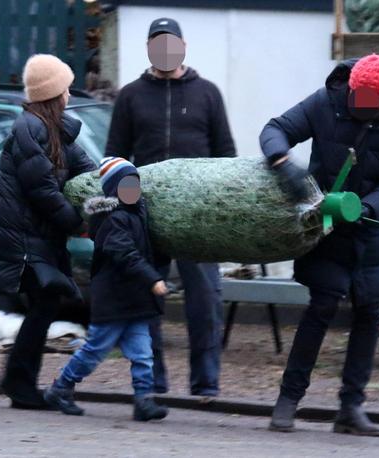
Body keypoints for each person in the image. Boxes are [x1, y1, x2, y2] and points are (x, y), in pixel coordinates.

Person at [260, 54, 379, 436]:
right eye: (356, 95)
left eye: (369, 99)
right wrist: (283, 162)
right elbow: (275, 129)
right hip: (326, 225)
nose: (360, 103)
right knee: (322, 307)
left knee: (369, 313)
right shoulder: (325, 102)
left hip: (371, 228)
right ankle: (288, 401)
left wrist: (368, 206)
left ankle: (351, 408)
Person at [105, 17, 236, 397]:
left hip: (199, 216)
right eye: (157, 43)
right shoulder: (130, 96)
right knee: (145, 298)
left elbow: (226, 155)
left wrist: (219, 202)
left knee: (206, 299)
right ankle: (153, 381)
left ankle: (206, 383)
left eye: (170, 43)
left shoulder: (208, 93)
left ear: (183, 46)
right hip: (147, 214)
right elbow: (115, 155)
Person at [0, 54, 96, 409]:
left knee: (45, 304)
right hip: (22, 240)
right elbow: (42, 189)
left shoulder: (55, 130)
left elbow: (86, 169)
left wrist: (115, 183)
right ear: (54, 93)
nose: (70, 94)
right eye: (66, 88)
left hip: (35, 238)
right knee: (46, 303)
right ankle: (19, 382)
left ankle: (19, 380)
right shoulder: (31, 129)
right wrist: (77, 223)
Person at [43, 157, 169, 422]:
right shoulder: (113, 220)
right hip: (113, 300)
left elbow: (145, 249)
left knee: (143, 353)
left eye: (135, 183)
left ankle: (143, 400)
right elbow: (125, 253)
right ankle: (60, 387)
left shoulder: (136, 213)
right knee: (94, 351)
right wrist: (152, 279)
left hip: (134, 300)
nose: (133, 189)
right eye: (126, 184)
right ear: (114, 189)